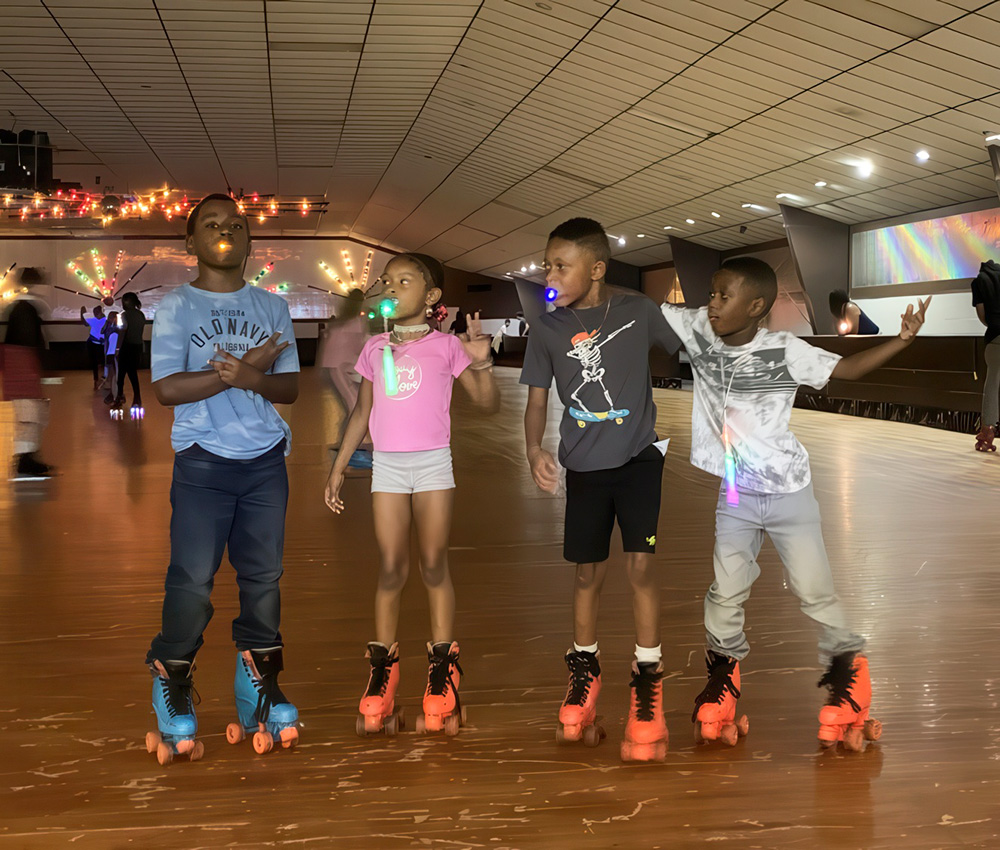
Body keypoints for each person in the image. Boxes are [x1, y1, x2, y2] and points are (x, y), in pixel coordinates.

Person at [660, 257, 929, 750]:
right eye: (712, 294)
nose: (712, 303)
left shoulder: (785, 350)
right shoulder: (697, 327)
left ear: (757, 306)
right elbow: (636, 307)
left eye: (723, 295)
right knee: (725, 589)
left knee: (814, 590)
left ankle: (851, 678)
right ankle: (723, 678)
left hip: (788, 490)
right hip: (737, 489)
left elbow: (844, 370)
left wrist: (901, 340)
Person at [143, 193, 301, 765]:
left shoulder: (272, 306)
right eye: (211, 224)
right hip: (204, 461)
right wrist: (240, 370)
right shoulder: (176, 307)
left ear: (250, 241)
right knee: (192, 580)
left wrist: (254, 375)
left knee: (264, 578)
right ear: (191, 243)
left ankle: (257, 681)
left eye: (237, 224)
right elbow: (165, 390)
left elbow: (289, 389)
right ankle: (172, 679)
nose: (226, 230)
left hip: (265, 462)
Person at [520, 217, 680, 762]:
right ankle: (584, 672)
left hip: (639, 460)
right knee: (588, 572)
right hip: (584, 467)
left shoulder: (638, 311)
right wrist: (534, 449)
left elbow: (691, 350)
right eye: (547, 265)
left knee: (641, 567)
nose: (550, 274)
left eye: (560, 265)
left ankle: (648, 680)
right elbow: (537, 399)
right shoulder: (546, 328)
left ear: (596, 268)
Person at [324, 253, 498, 738]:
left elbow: (486, 405)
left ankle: (443, 670)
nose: (392, 288)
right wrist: (338, 469)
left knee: (433, 564)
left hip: (433, 464)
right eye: (388, 281)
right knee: (391, 567)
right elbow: (361, 415)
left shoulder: (446, 347)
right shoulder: (374, 348)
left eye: (405, 281)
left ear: (432, 297)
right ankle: (383, 669)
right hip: (389, 468)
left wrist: (481, 362)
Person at [2, 272, 53, 479]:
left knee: (31, 416)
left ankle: (27, 458)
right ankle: (24, 460)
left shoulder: (19, 308)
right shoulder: (26, 309)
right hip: (23, 366)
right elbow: (29, 340)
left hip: (20, 366)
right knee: (29, 417)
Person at [319, 287, 372, 468]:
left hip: (335, 367)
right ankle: (354, 449)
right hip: (341, 368)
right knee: (353, 405)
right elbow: (361, 347)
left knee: (351, 405)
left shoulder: (343, 320)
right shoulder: (356, 322)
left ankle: (346, 444)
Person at [971, 260, 1000, 452]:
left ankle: (988, 431)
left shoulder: (980, 281)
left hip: (996, 337)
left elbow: (983, 316)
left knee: (992, 382)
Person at [115, 292, 146, 412]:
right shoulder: (141, 314)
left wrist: (117, 348)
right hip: (137, 345)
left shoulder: (123, 315)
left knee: (121, 373)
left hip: (126, 346)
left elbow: (122, 331)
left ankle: (120, 396)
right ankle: (137, 398)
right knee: (133, 373)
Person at [79, 304, 105, 390]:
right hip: (99, 344)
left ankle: (98, 380)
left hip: (95, 344)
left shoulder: (94, 320)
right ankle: (100, 380)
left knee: (96, 363)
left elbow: (85, 323)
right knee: (101, 362)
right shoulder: (104, 320)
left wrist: (82, 312)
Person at [103, 311, 121, 407]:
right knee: (115, 376)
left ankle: (115, 395)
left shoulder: (111, 329)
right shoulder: (116, 329)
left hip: (112, 354)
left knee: (114, 376)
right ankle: (115, 395)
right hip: (114, 355)